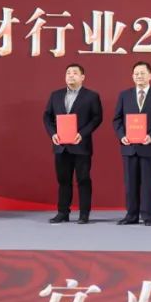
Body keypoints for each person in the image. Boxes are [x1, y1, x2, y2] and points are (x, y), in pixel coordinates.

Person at [42, 63, 103, 224]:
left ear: (82, 77)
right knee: (63, 180)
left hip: (81, 145)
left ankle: (84, 214)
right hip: (61, 146)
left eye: (75, 73)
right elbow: (47, 117)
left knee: (83, 179)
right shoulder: (55, 95)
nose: (71, 75)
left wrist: (82, 134)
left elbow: (97, 118)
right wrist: (53, 134)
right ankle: (63, 212)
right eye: (68, 73)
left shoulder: (91, 96)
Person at [112, 61, 151, 226]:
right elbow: (117, 119)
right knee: (130, 184)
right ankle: (131, 215)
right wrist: (122, 136)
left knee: (148, 184)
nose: (139, 76)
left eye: (142, 73)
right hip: (129, 147)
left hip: (149, 146)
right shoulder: (124, 95)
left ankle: (149, 216)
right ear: (132, 76)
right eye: (136, 73)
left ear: (150, 75)